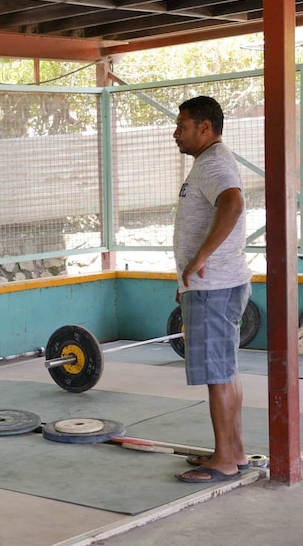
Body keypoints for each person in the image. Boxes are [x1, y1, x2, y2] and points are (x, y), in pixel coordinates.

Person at [171, 96, 252, 483]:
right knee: (226, 372)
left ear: (205, 127)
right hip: (212, 285)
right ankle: (234, 452)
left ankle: (223, 460)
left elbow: (233, 204)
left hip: (214, 286)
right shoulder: (211, 162)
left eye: (182, 125)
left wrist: (200, 259)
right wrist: (185, 281)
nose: (176, 133)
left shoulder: (215, 163)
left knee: (218, 374)